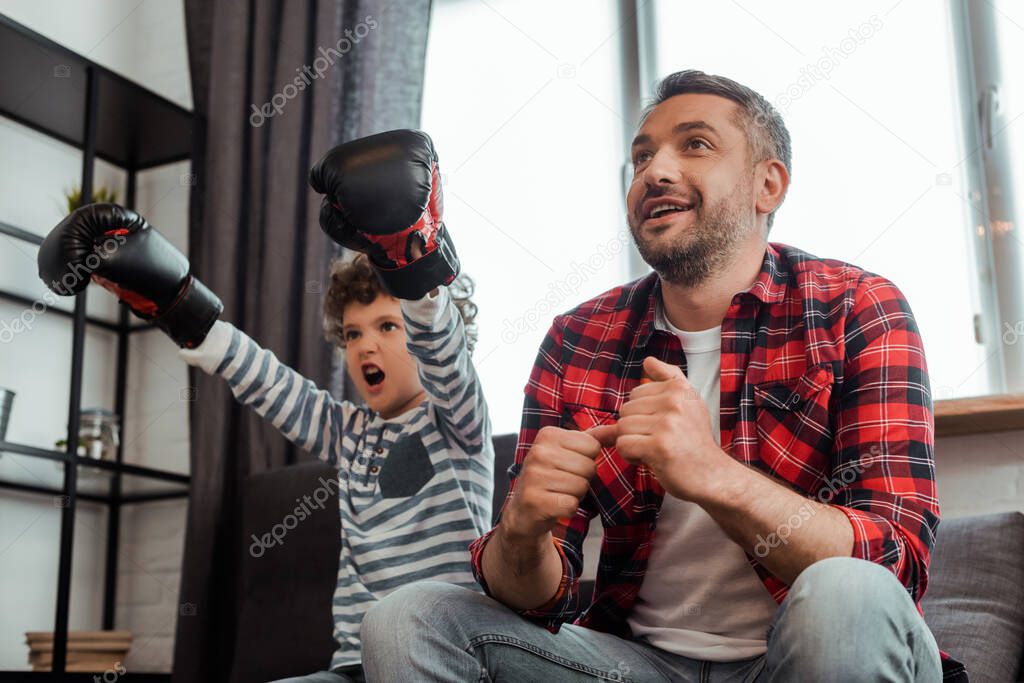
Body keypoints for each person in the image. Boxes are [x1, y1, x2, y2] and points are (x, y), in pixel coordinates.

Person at [358, 71, 966, 682]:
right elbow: (542, 598)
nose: (655, 171)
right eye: (642, 155)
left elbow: (895, 559)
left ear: (768, 184)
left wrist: (712, 475)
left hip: (801, 654)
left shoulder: (856, 306)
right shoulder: (579, 336)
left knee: (845, 592)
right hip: (639, 665)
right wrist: (519, 533)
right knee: (406, 618)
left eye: (694, 145)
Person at [37, 130, 494, 683]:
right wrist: (180, 309)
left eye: (386, 326)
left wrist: (411, 265)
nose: (365, 345)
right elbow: (269, 382)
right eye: (352, 334)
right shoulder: (348, 432)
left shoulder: (458, 419)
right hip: (353, 668)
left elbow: (442, 354)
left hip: (443, 659)